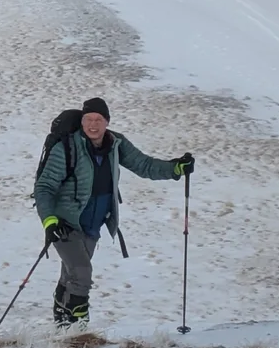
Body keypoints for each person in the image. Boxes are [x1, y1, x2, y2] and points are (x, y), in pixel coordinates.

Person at [32, 98, 193, 326]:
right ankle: (78, 331)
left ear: (107, 121)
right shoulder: (67, 147)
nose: (93, 125)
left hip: (92, 224)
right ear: (82, 121)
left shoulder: (116, 144)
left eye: (98, 119)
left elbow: (143, 165)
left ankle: (62, 328)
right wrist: (49, 221)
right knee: (82, 274)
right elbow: (45, 186)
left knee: (72, 276)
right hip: (64, 224)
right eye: (88, 119)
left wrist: (175, 168)